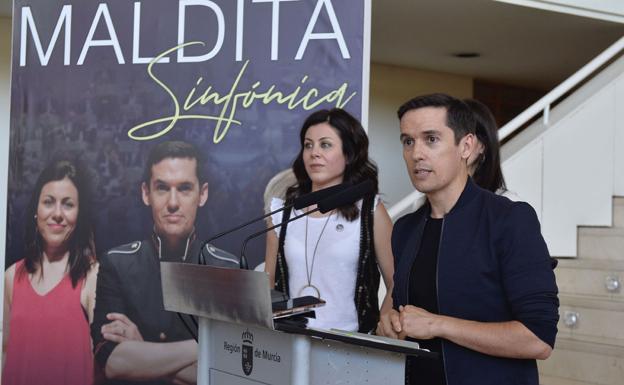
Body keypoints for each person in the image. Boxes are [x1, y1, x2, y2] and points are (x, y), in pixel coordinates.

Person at [378, 93, 559, 385]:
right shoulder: (405, 229)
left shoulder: (509, 220)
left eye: (431, 139)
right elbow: (398, 312)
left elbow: (538, 339)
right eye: (408, 141)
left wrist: (439, 325)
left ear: (466, 146)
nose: (416, 154)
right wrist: (388, 324)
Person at [91, 141, 238, 385]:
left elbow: (227, 376)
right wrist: (209, 347)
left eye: (184, 188)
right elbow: (113, 363)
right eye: (162, 188)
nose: (172, 202)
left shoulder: (226, 269)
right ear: (146, 193)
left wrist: (141, 349)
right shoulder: (117, 264)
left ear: (202, 195)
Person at [264, 108, 395, 333]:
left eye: (325, 144)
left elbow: (397, 282)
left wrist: (384, 322)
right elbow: (267, 285)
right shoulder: (281, 212)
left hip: (351, 347)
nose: (314, 153)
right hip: (289, 341)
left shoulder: (370, 210)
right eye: (308, 145)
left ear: (349, 154)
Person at [3, 159, 98, 385]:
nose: (57, 213)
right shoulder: (11, 276)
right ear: (36, 212)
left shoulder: (92, 275)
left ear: (79, 215)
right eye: (48, 202)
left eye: (68, 204)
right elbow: (5, 353)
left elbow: (105, 362)